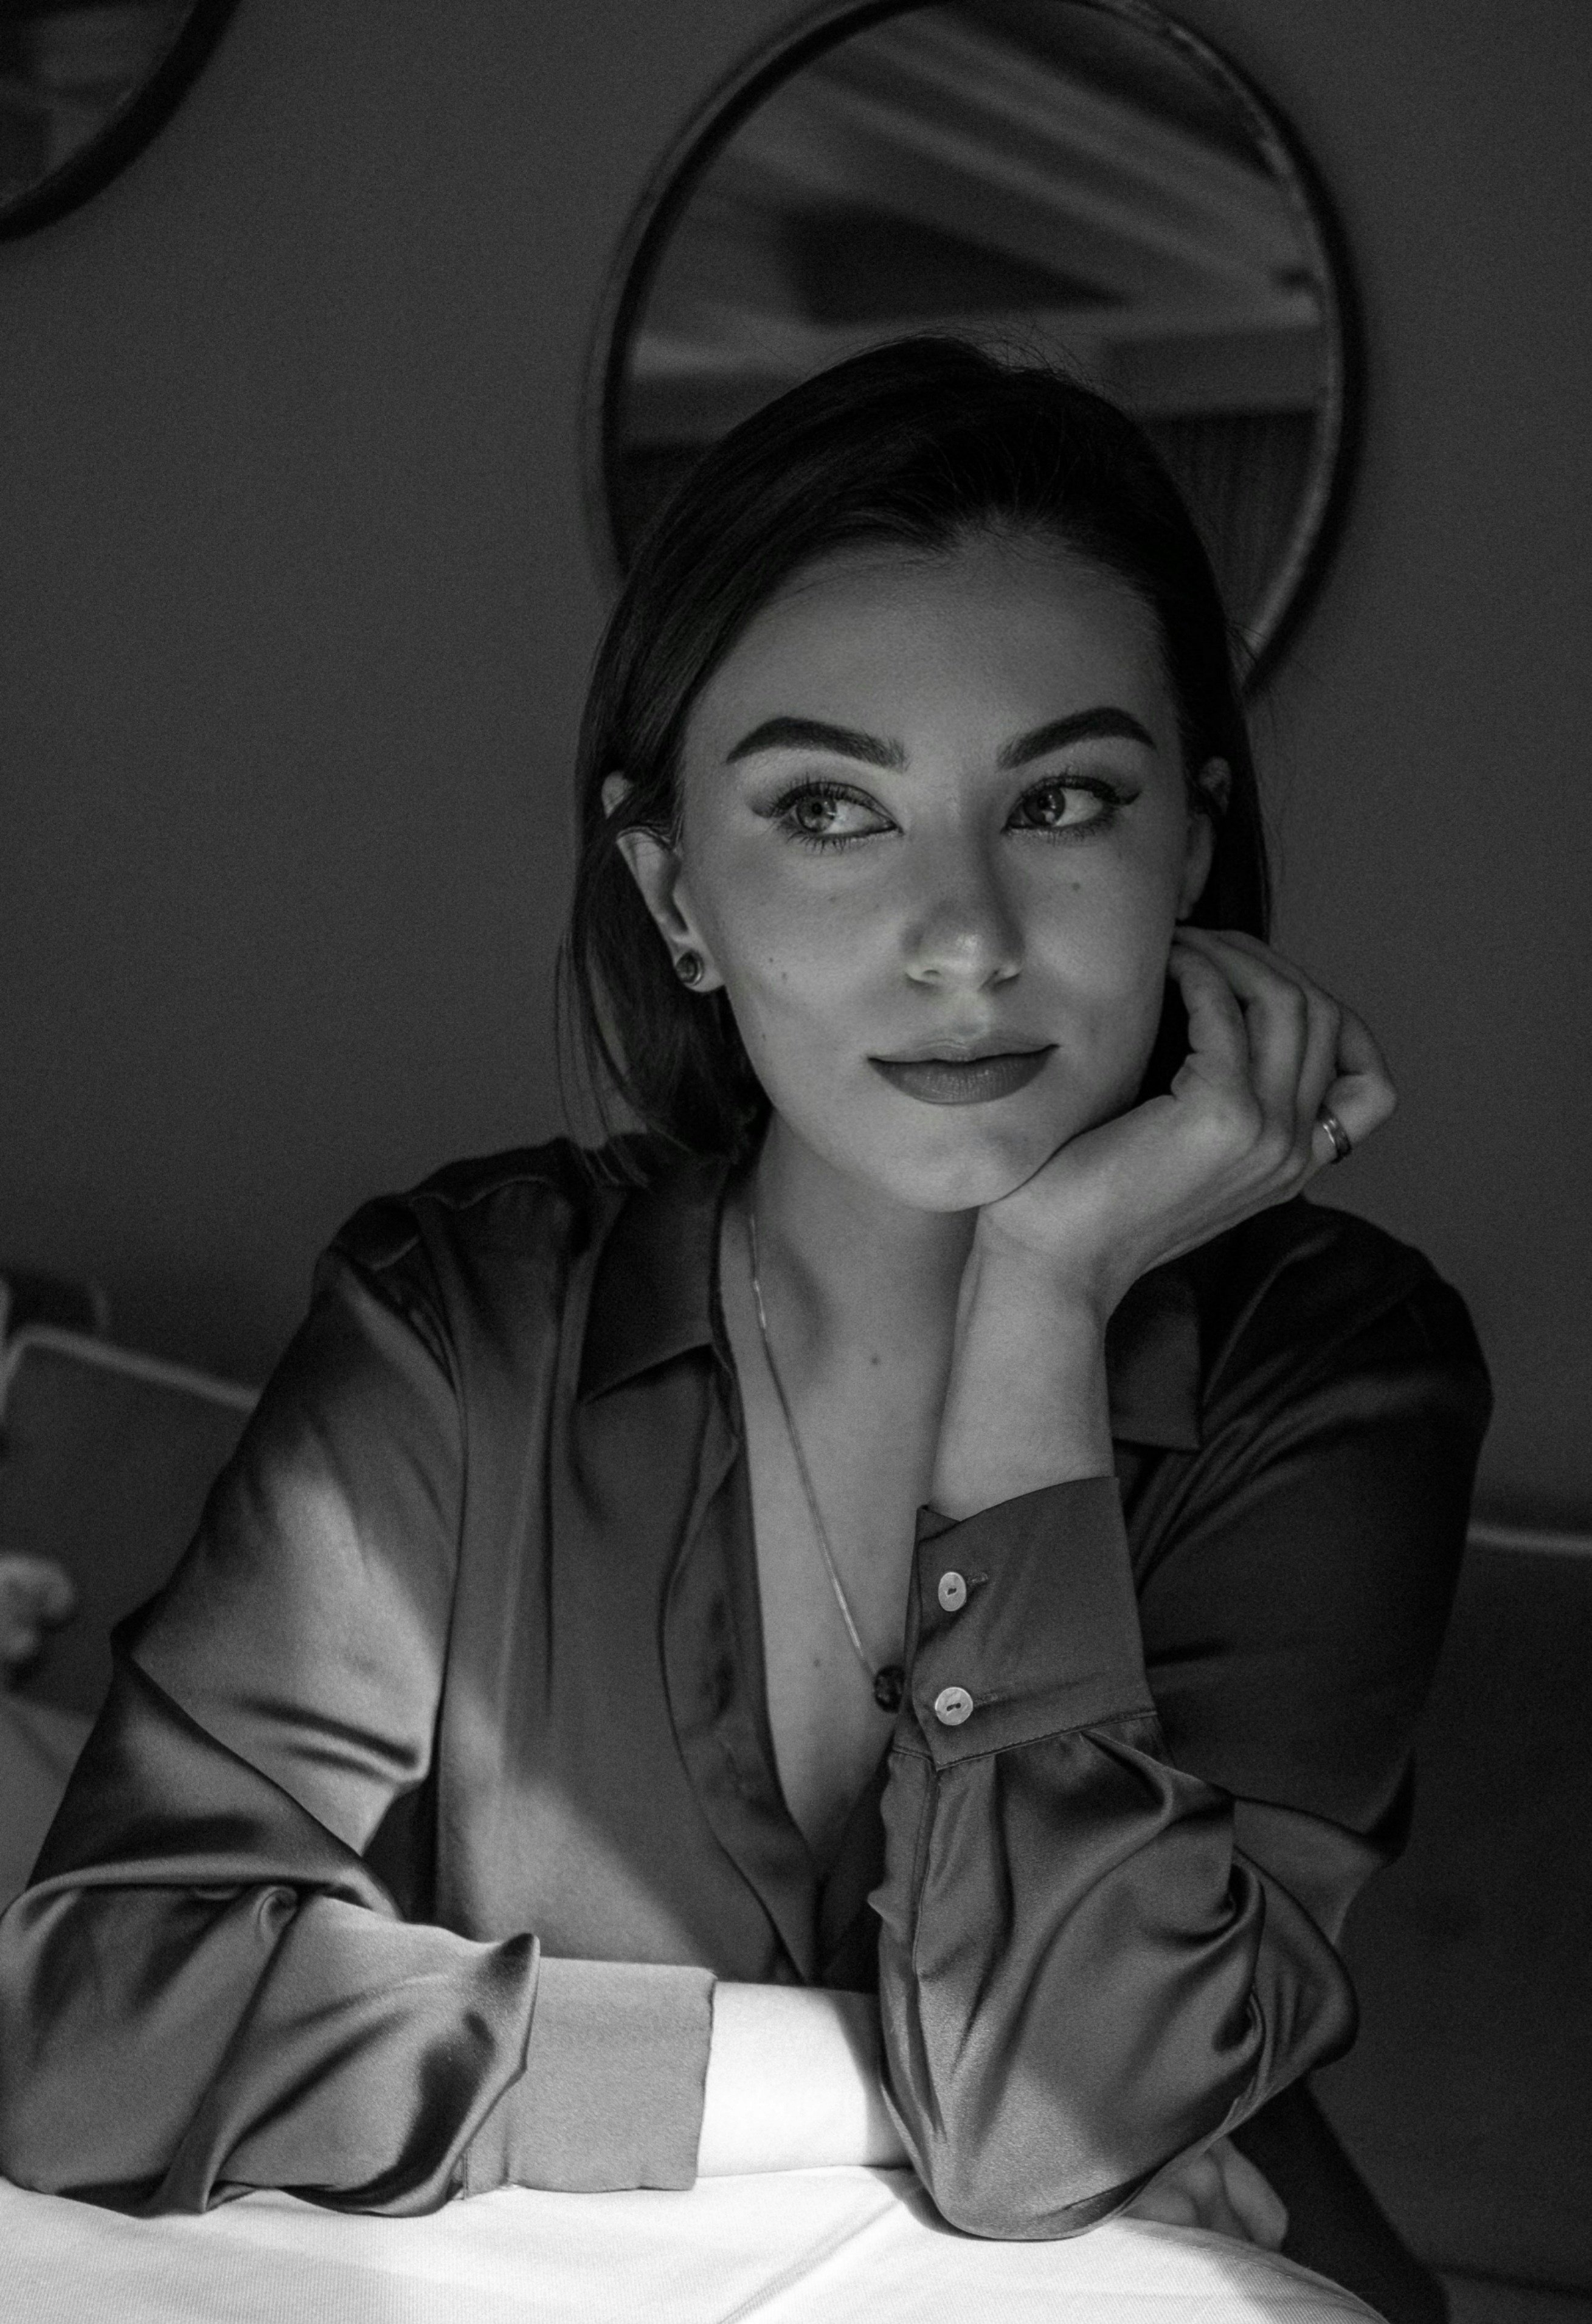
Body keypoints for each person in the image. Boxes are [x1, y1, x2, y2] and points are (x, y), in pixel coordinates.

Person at [0, 340, 1488, 2322]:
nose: (961, 936)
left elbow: (1067, 2131)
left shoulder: (1330, 1369)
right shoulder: (466, 1320)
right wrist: (829, 2073)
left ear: (1187, 850)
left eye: (1058, 798)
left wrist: (1039, 1313)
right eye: (826, 810)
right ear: (674, 894)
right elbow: (108, 2019)